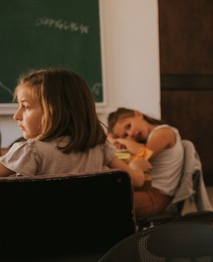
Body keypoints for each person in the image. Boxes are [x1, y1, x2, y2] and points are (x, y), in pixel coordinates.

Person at [0, 68, 148, 188]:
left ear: (55, 111)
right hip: (89, 224)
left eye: (25, 107)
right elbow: (137, 181)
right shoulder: (100, 147)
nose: (16, 115)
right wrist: (136, 166)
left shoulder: (30, 151)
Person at [107, 107, 184, 217]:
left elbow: (143, 154)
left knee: (110, 201)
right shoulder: (148, 138)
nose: (131, 134)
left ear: (138, 114)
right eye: (125, 134)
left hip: (157, 197)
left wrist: (120, 140)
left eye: (129, 126)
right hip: (146, 189)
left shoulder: (164, 132)